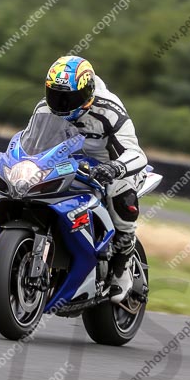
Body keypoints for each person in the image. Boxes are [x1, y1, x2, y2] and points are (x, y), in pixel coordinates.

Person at [35, 55, 147, 303]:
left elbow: (137, 153)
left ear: (87, 93)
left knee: (119, 193)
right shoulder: (44, 109)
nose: (61, 103)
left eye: (69, 97)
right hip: (72, 166)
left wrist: (116, 168)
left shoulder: (109, 110)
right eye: (55, 95)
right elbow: (32, 145)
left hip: (113, 167)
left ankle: (122, 265)